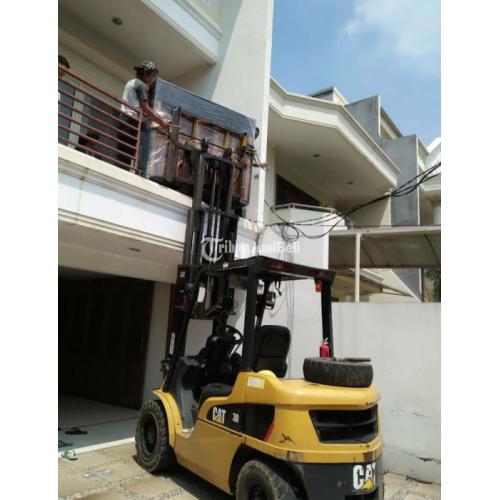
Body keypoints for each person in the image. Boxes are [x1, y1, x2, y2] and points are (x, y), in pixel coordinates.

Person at [118, 60, 170, 173]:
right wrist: (162, 121)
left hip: (123, 119)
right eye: (152, 76)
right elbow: (146, 108)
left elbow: (141, 109)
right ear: (146, 74)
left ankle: (122, 171)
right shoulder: (141, 86)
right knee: (130, 152)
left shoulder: (131, 82)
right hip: (131, 122)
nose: (153, 79)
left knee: (123, 154)